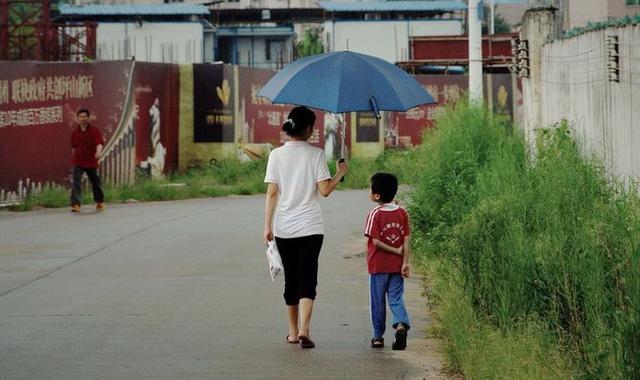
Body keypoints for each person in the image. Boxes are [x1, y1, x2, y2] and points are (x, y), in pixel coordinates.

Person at [263, 106, 348, 349]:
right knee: (308, 278)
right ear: (309, 129)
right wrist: (340, 173)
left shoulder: (276, 156)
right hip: (311, 228)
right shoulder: (316, 155)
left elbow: (271, 194)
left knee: (291, 279)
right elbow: (324, 191)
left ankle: (291, 332)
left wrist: (267, 227)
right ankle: (304, 330)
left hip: (284, 229)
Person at [364, 172, 411, 350]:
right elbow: (406, 238)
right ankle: (400, 325)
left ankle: (377, 337)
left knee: (378, 301)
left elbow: (375, 242)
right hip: (397, 265)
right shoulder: (402, 212)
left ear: (377, 195)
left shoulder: (374, 214)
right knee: (396, 298)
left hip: (377, 266)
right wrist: (405, 260)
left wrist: (394, 249)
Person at [70, 108, 105, 212]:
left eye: (84, 116)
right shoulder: (75, 133)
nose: (82, 119)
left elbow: (99, 143)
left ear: (88, 118)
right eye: (80, 117)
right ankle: (76, 204)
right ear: (78, 118)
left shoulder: (94, 131)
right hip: (78, 161)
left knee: (95, 182)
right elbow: (74, 148)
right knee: (76, 182)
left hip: (91, 161)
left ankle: (100, 202)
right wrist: (73, 159)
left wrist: (98, 152)